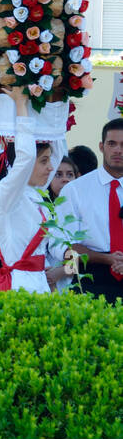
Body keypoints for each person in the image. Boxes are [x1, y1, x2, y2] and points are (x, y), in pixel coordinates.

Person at [0, 88, 67, 293]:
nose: (51, 168)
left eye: (49, 161)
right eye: (44, 161)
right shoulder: (6, 193)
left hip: (40, 282)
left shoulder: (37, 195)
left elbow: (58, 153)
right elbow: (26, 158)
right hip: (17, 286)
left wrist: (58, 100)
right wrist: (21, 106)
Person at [64, 117, 123, 302]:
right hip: (90, 278)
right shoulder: (75, 190)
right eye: (112, 143)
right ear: (101, 146)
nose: (118, 150)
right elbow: (64, 244)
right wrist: (108, 259)